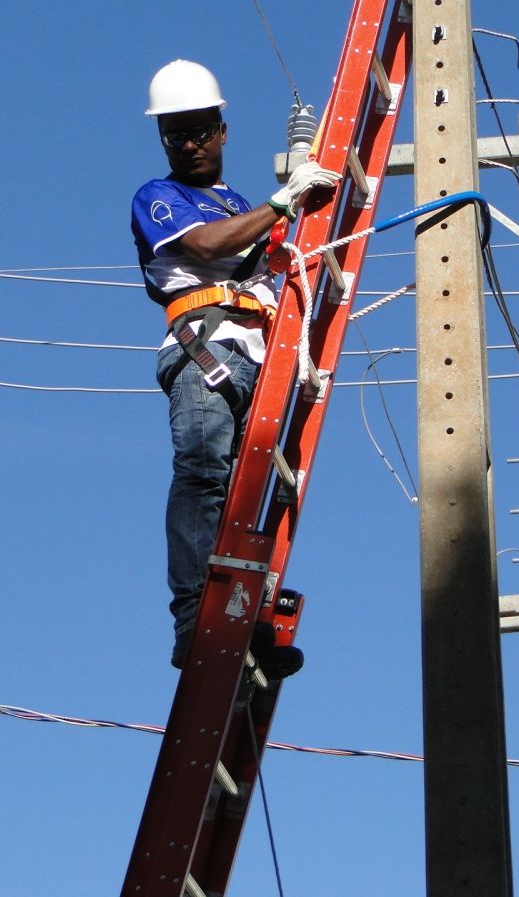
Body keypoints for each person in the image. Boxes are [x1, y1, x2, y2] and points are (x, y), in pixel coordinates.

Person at [130, 59, 339, 674]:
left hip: (259, 355)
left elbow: (268, 255)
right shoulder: (160, 198)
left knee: (255, 492)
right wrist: (284, 201)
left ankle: (249, 623)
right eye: (175, 134)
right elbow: (204, 247)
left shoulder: (236, 203)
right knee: (203, 474)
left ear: (223, 130)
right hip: (208, 354)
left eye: (199, 130)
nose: (189, 143)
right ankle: (197, 618)